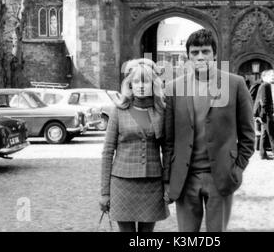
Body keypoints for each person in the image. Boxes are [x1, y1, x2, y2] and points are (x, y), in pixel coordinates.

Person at [163, 29, 255, 232]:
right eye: (194, 52)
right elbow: (169, 140)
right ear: (188, 56)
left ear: (214, 54)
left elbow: (248, 135)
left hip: (220, 176)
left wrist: (237, 169)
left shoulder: (235, 84)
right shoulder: (174, 88)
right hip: (185, 178)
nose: (200, 57)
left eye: (205, 51)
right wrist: (168, 179)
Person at [100, 59, 170, 232]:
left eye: (145, 81)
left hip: (152, 185)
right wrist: (104, 193)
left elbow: (167, 150)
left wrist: (167, 183)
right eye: (136, 81)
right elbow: (108, 152)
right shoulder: (119, 110)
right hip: (122, 184)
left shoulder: (161, 111)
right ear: (130, 84)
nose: (140, 86)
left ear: (153, 84)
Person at [254, 69, 274, 160]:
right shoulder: (266, 85)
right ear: (265, 77)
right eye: (272, 75)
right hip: (266, 114)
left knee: (264, 134)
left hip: (264, 114)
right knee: (272, 134)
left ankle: (262, 154)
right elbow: (264, 102)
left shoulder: (263, 85)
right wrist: (264, 115)